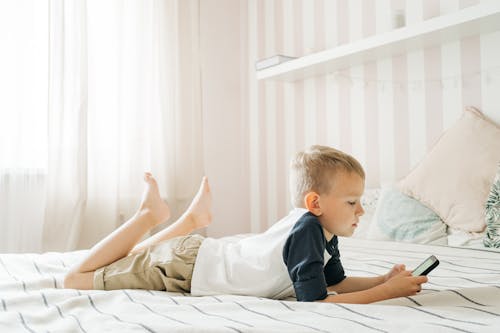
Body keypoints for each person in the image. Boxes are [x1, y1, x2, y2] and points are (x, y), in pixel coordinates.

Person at [64, 145, 427, 304]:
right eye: (352, 202)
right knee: (75, 279)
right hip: (185, 268)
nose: (361, 211)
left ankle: (187, 221)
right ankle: (150, 216)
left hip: (193, 258)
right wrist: (386, 294)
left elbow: (336, 283)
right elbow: (318, 302)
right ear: (315, 203)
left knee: (119, 263)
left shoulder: (321, 232)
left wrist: (382, 279)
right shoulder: (308, 233)